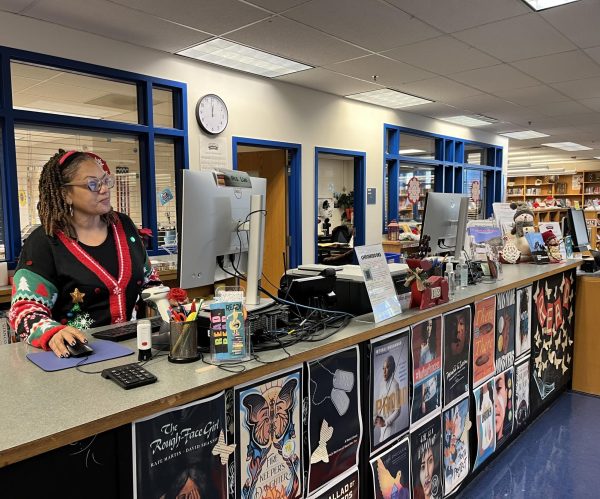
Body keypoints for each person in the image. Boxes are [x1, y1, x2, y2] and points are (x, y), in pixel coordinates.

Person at [9, 149, 160, 357]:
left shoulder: (124, 226)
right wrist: (52, 333)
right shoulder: (45, 241)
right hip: (78, 358)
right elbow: (24, 311)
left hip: (134, 350)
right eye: (93, 184)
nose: (104, 189)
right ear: (65, 194)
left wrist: (167, 300)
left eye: (106, 181)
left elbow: (149, 280)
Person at [374, 355, 402, 443]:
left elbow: (398, 411)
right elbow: (379, 406)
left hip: (390, 429)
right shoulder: (381, 384)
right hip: (381, 429)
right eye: (383, 368)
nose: (384, 371)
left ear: (392, 368)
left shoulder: (395, 385)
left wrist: (385, 422)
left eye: (387, 367)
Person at [420, 319, 439, 415]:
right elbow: (422, 377)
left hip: (434, 392)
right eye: (427, 325)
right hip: (426, 397)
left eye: (431, 325)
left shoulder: (433, 346)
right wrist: (423, 402)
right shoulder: (422, 348)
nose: (428, 328)